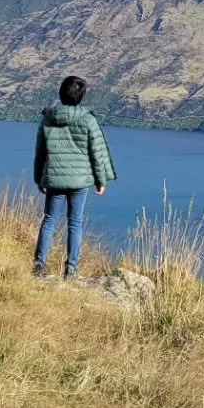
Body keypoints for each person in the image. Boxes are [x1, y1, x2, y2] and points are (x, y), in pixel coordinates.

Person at [32, 75, 117, 279]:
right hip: (79, 181)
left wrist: (38, 178)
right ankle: (71, 269)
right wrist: (101, 180)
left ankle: (39, 265)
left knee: (50, 220)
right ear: (81, 97)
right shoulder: (88, 120)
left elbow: (40, 152)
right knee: (75, 222)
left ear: (61, 94)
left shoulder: (48, 118)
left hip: (55, 179)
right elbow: (97, 151)